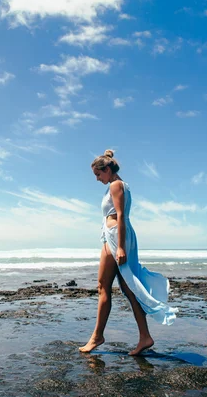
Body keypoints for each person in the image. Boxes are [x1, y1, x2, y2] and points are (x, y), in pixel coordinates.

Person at [79, 149, 177, 356]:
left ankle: (98, 336)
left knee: (103, 286)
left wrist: (121, 246)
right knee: (127, 287)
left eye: (98, 174)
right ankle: (145, 337)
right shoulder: (117, 185)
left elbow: (121, 215)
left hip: (117, 238)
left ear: (106, 169)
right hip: (112, 236)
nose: (97, 179)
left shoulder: (116, 185)